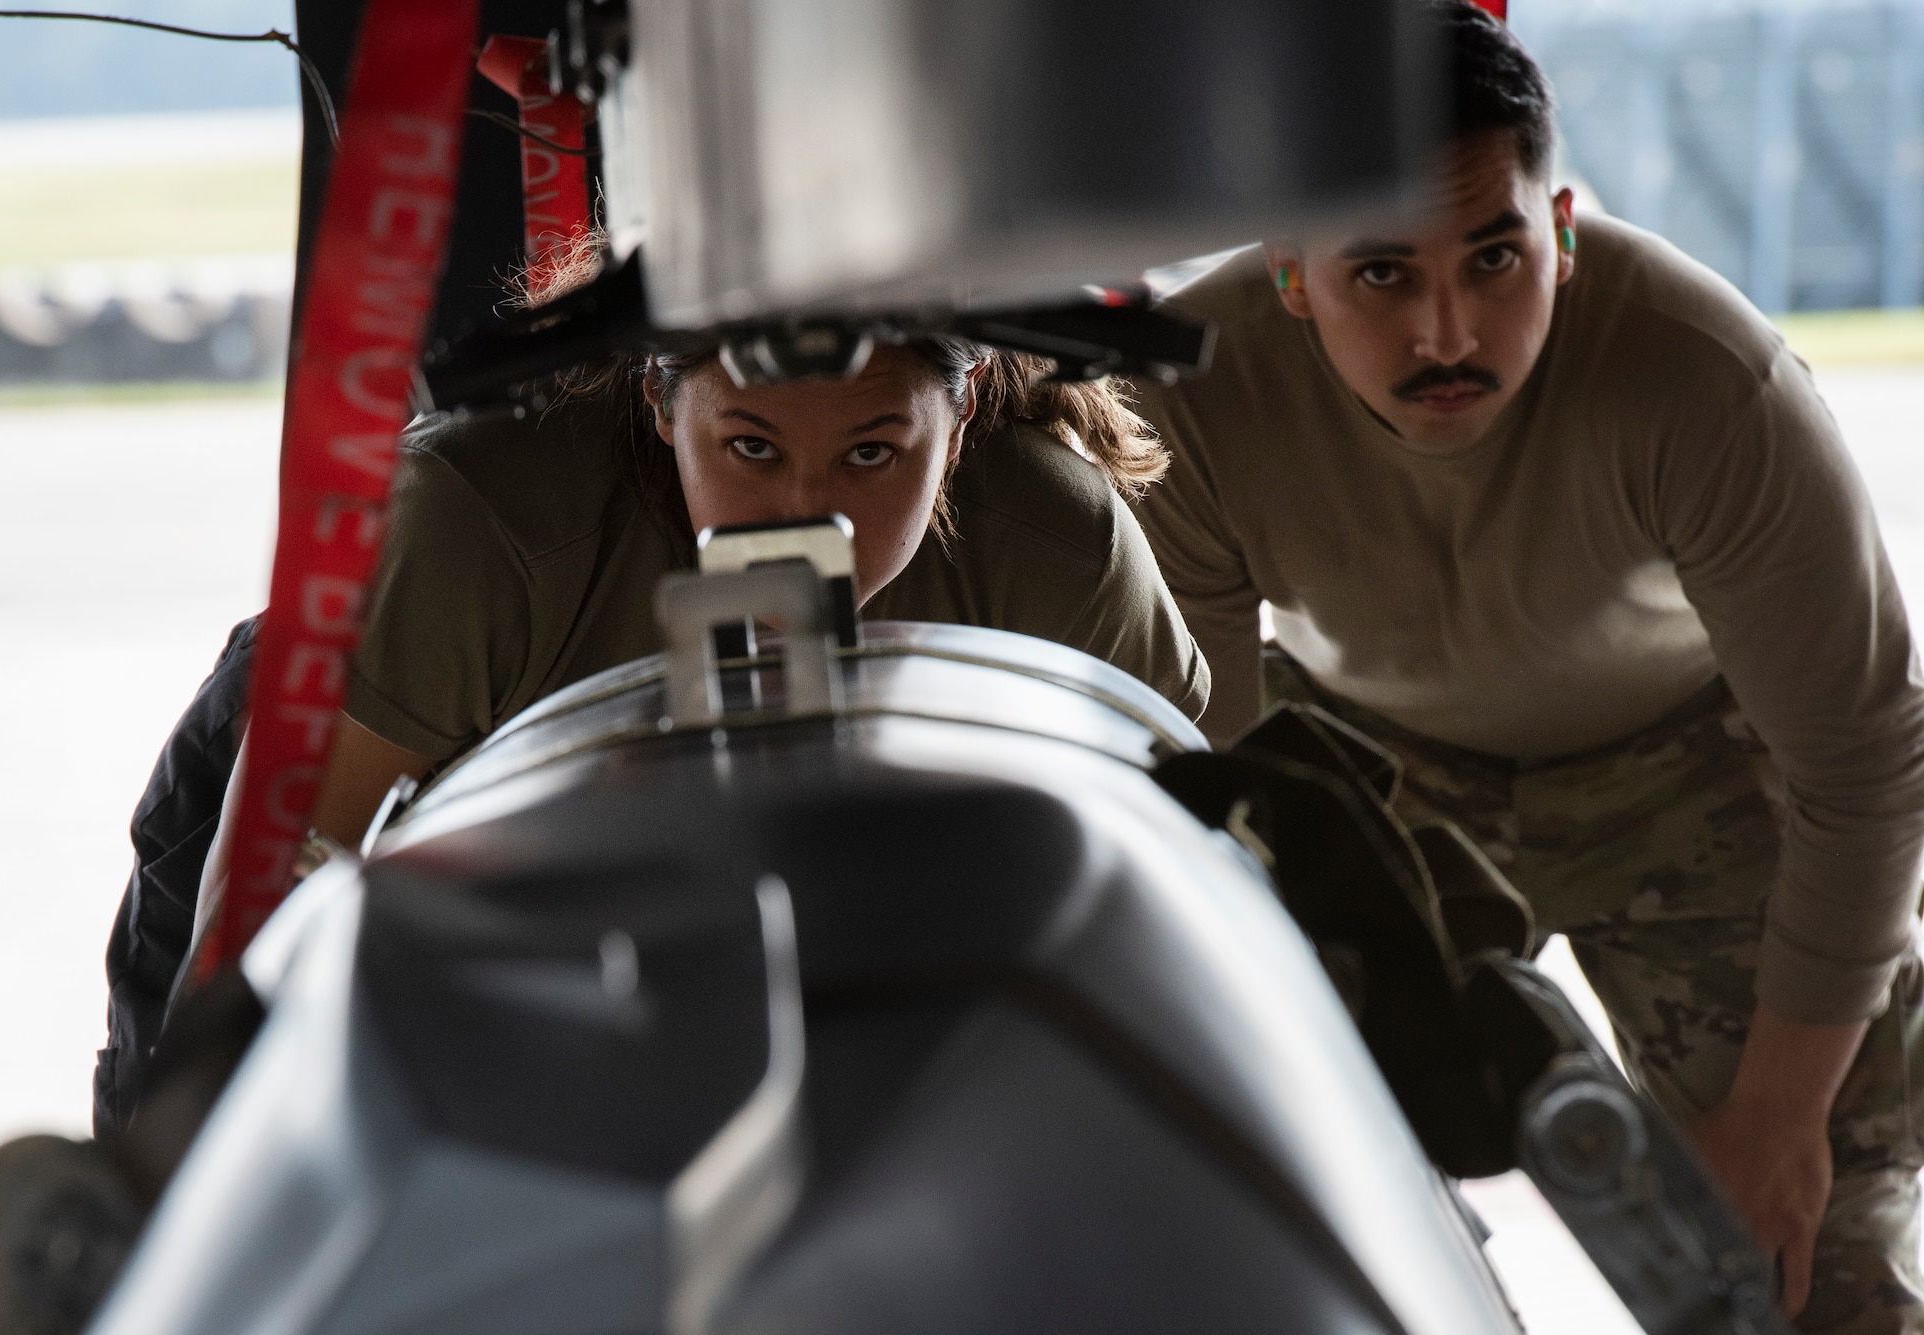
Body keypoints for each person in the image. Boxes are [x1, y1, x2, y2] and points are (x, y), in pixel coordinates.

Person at [1129, 3, 1924, 1330]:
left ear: (1557, 230)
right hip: (1369, 776)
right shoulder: (1193, 399)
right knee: (1267, 1214)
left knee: (1811, 1274)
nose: (1449, 330)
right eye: (1379, 272)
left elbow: (1868, 756)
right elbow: (1217, 781)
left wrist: (1781, 1120)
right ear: (1287, 270)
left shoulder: (1703, 377)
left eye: (1495, 257)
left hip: (1694, 770)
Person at [96, 249, 1209, 1138]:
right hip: (385, 784)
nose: (801, 512)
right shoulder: (481, 528)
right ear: (661, 404)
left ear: (956, 426)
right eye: (750, 446)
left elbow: (1197, 882)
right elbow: (258, 932)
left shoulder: (1055, 551)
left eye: (871, 457)